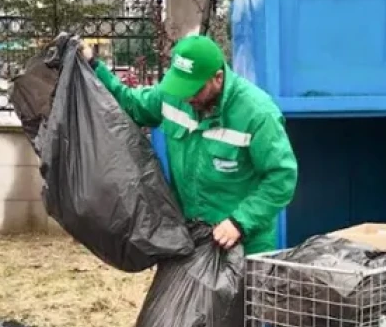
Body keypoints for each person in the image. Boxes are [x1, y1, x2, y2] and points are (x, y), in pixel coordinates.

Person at [82, 34, 297, 254]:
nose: (186, 97)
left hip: (244, 242)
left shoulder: (257, 114)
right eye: (182, 88)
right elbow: (130, 103)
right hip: (191, 237)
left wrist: (240, 222)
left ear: (218, 78)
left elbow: (281, 177)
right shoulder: (172, 96)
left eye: (194, 90)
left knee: (244, 290)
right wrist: (93, 65)